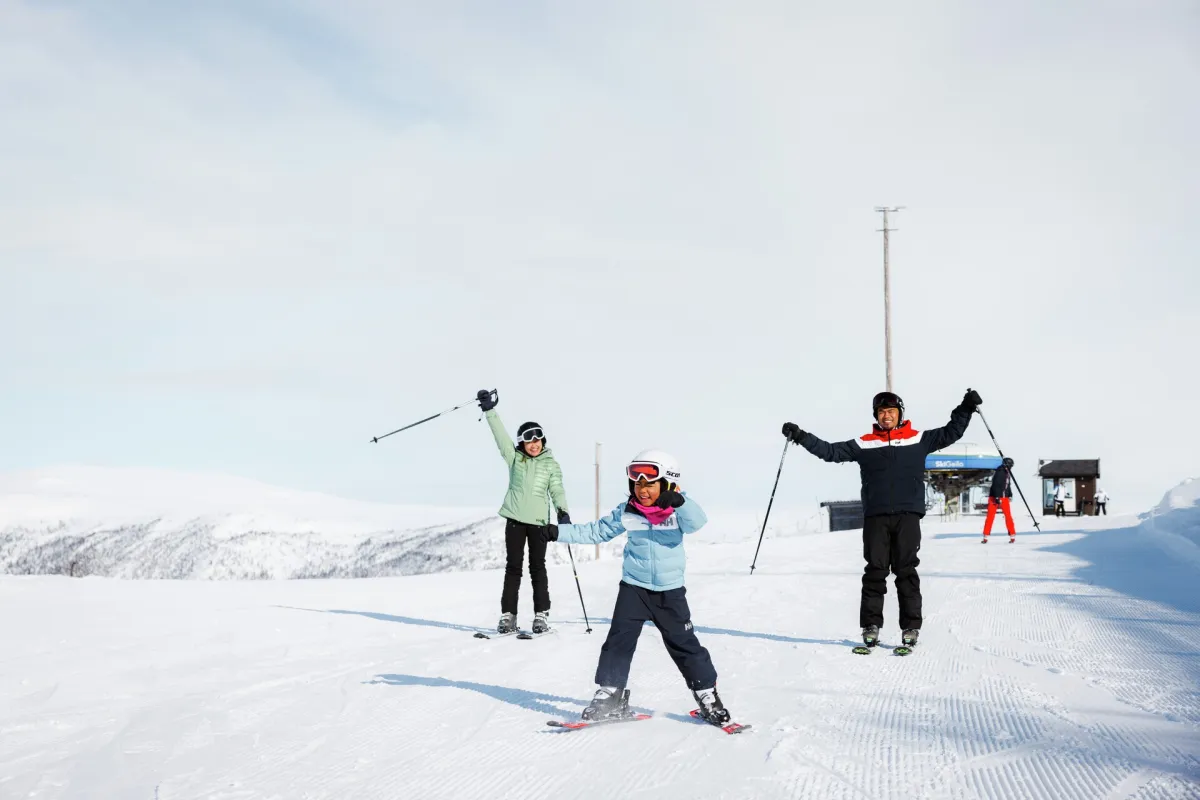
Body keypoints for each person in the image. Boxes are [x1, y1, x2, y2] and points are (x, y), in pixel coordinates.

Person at [782, 388, 980, 651]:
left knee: (905, 570)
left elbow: (951, 431)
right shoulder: (865, 443)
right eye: (882, 412)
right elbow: (830, 452)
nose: (887, 416)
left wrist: (966, 407)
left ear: (900, 414)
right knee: (875, 571)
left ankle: (910, 627)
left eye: (891, 411)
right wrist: (802, 437)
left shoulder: (918, 439)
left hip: (908, 515)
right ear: (876, 416)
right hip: (876, 516)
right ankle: (871, 626)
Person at [544, 450, 732, 725]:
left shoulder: (679, 510)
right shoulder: (628, 511)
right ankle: (610, 693)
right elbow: (596, 531)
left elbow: (697, 523)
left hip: (670, 592)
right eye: (638, 484)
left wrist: (681, 502)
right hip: (634, 588)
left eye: (650, 484)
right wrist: (556, 532)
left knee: (685, 645)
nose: (642, 490)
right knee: (618, 642)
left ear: (667, 483)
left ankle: (707, 695)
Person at [476, 389, 569, 635]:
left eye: (537, 440)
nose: (534, 444)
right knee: (513, 567)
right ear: (522, 443)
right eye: (529, 441)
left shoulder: (551, 464)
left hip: (539, 523)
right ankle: (508, 616)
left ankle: (541, 615)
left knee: (537, 567)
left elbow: (557, 490)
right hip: (515, 520)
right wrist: (489, 410)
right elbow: (500, 437)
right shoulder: (515, 458)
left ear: (543, 441)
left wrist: (563, 512)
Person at [982, 457, 1016, 543]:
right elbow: (996, 485)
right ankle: (986, 536)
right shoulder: (1000, 472)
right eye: (1010, 466)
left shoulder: (1007, 472)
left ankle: (1012, 535)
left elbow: (1007, 485)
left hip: (1004, 497)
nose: (1011, 467)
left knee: (1008, 516)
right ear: (1006, 465)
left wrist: (1010, 494)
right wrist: (997, 497)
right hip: (995, 497)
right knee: (990, 516)